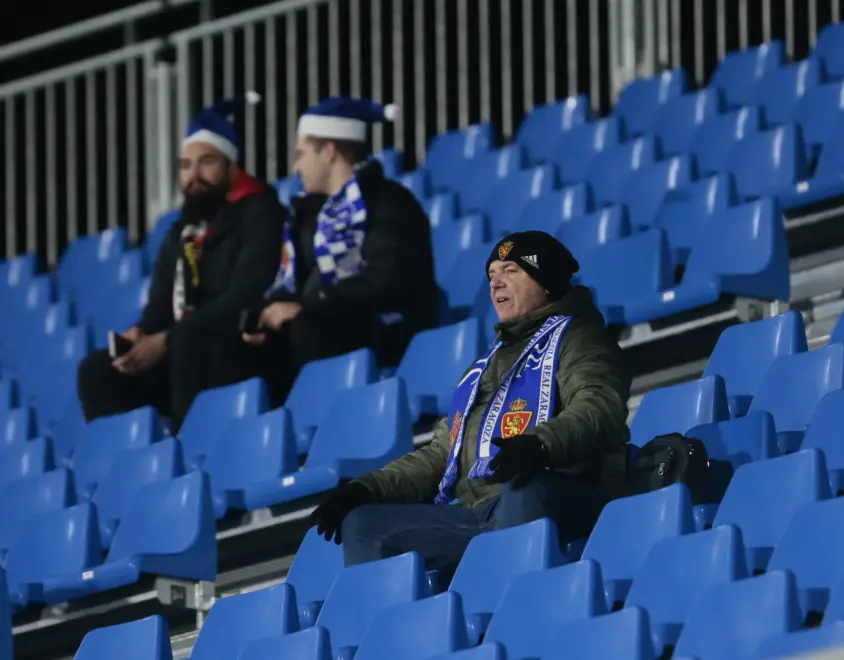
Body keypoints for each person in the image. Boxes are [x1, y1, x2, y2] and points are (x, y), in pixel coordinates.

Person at [309, 231, 631, 572]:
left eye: (511, 271)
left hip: (559, 494)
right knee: (364, 525)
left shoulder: (579, 336)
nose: (496, 284)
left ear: (546, 282)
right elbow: (440, 455)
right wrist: (365, 489)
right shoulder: (483, 367)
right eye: (492, 275)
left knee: (523, 490)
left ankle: (517, 610)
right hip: (475, 514)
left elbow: (599, 406)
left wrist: (540, 445)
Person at [76, 93, 284, 429]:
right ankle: (131, 471)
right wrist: (142, 335)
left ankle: (193, 457)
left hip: (238, 349)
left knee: (189, 341)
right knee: (98, 370)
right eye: (185, 166)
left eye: (207, 162)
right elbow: (160, 306)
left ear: (232, 167)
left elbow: (245, 294)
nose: (193, 175)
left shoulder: (260, 212)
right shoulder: (180, 233)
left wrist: (169, 340)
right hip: (186, 354)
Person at [243, 97, 438, 405]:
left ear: (329, 152)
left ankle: (327, 424)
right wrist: (264, 315)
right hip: (328, 323)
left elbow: (385, 281)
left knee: (309, 326)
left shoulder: (388, 201)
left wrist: (309, 306)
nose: (296, 166)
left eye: (302, 154)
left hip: (386, 328)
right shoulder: (307, 216)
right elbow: (293, 282)